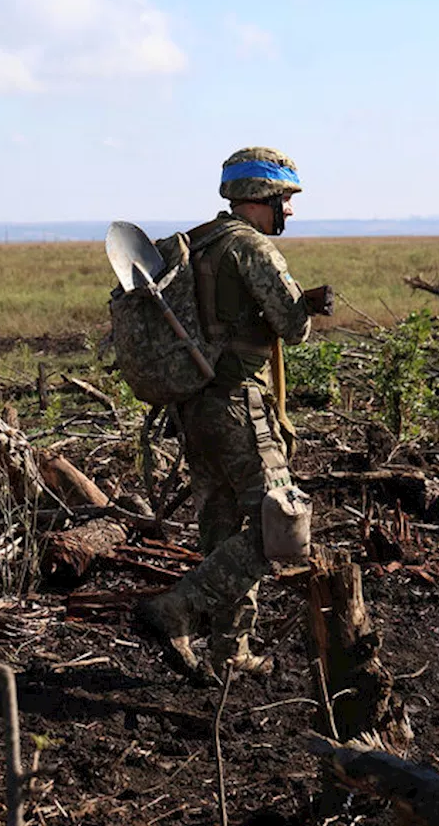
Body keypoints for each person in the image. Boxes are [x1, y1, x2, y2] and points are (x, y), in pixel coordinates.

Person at [136, 146, 329, 682]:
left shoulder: (197, 243)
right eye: (285, 200)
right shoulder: (251, 248)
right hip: (240, 404)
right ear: (261, 197)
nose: (288, 212)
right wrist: (304, 308)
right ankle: (178, 607)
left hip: (195, 406)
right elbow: (293, 327)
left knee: (222, 530)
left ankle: (230, 653)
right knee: (281, 526)